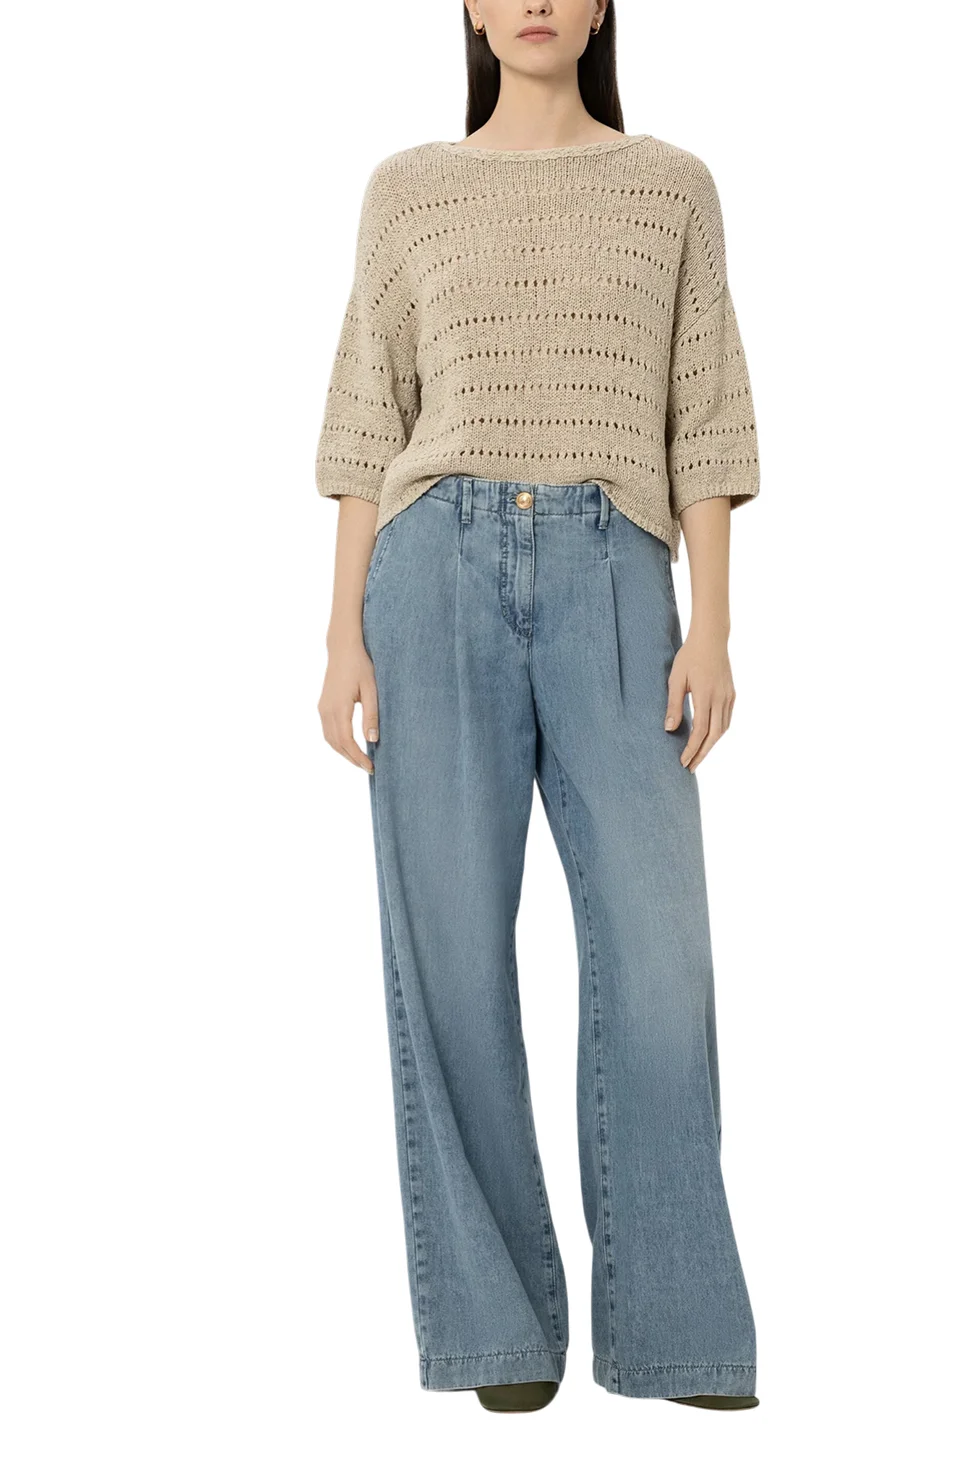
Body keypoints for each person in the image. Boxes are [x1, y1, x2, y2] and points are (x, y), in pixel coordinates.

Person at [316, 0, 760, 1413]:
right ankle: (497, 1337)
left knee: (660, 961)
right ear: (467, 7)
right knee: (448, 957)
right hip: (429, 574)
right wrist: (340, 635)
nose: (534, 1)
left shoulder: (670, 187)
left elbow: (706, 416)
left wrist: (713, 626)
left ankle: (676, 1331)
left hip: (615, 574)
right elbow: (365, 422)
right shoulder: (408, 190)